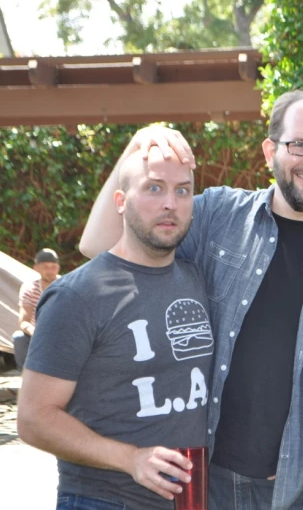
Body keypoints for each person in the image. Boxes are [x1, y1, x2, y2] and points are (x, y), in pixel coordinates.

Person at [79, 90, 303, 510]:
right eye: (298, 144)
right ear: (270, 150)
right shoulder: (219, 216)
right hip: (208, 482)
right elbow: (99, 244)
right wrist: (138, 145)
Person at [18, 146, 214, 510]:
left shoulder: (198, 279)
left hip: (190, 500)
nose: (170, 203)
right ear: (121, 201)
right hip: (103, 499)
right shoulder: (78, 295)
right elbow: (33, 419)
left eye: (183, 190)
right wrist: (130, 458)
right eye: (154, 188)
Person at [12, 248, 60, 372]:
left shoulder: (66, 285)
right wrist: (37, 332)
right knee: (19, 338)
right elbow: (23, 321)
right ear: (36, 268)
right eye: (45, 267)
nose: (50, 271)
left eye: (53, 267)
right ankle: (25, 376)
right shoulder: (30, 288)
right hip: (36, 333)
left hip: (61, 332)